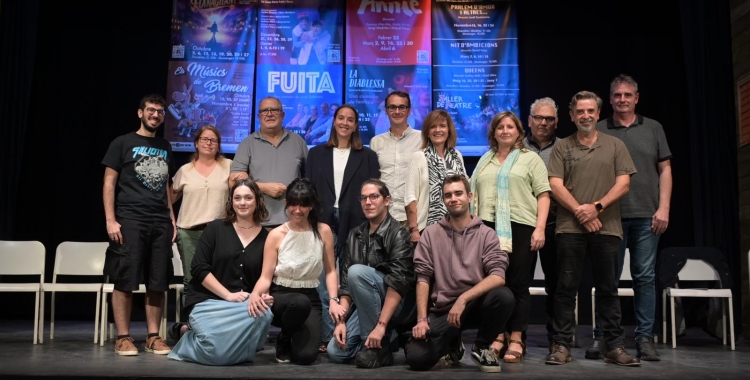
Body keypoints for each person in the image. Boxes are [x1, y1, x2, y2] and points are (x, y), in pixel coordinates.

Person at [545, 91, 640, 367]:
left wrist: (595, 208)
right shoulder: (562, 146)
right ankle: (562, 345)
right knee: (565, 288)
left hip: (607, 227)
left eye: (590, 111)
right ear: (572, 116)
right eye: (579, 112)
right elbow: (555, 185)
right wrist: (581, 212)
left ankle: (614, 346)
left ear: (598, 114)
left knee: (609, 289)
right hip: (569, 228)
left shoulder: (615, 145)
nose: (585, 115)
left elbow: (624, 184)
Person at [591, 74, 672, 361]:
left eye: (627, 95)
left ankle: (644, 338)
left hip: (647, 216)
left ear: (636, 98)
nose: (622, 99)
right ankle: (603, 336)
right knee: (606, 279)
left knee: (644, 278)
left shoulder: (653, 128)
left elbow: (665, 170)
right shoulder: (599, 129)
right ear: (610, 99)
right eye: (617, 95)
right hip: (609, 217)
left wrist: (663, 208)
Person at [406, 174, 514, 373]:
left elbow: (498, 276)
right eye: (448, 195)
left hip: (474, 305)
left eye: (458, 193)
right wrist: (422, 320)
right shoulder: (430, 233)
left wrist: (463, 299)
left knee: (503, 296)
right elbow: (423, 277)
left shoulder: (486, 234)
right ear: (444, 200)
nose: (453, 198)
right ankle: (452, 343)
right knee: (416, 358)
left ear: (470, 196)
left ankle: (481, 347)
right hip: (443, 310)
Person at [470, 111, 551, 363]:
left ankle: (516, 337)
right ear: (493, 132)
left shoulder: (531, 159)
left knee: (517, 284)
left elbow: (544, 195)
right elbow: (473, 194)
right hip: (487, 230)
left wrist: (540, 228)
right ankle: (497, 336)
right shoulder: (485, 160)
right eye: (500, 127)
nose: (505, 131)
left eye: (510, 127)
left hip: (521, 227)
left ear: (518, 131)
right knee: (494, 284)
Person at [167, 179, 274, 365]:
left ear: (257, 200)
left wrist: (264, 296)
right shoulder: (216, 228)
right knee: (218, 353)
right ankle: (185, 335)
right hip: (207, 300)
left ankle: (233, 347)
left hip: (241, 307)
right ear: (231, 201)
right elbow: (199, 268)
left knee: (264, 312)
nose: (242, 202)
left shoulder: (267, 237)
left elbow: (265, 276)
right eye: (237, 197)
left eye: (248, 197)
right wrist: (228, 295)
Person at [101, 94, 175, 356]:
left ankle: (153, 337)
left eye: (160, 112)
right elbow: (109, 183)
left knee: (158, 281)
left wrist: (172, 219)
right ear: (140, 113)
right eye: (151, 110)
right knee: (125, 279)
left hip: (159, 222)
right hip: (130, 220)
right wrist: (111, 220)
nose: (156, 115)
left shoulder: (165, 146)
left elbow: (166, 186)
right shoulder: (122, 143)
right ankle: (123, 337)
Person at [306, 104, 380, 352]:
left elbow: (374, 191)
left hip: (356, 223)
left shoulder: (367, 156)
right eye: (341, 118)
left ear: (356, 125)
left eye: (350, 119)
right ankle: (329, 336)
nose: (345, 123)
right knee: (322, 279)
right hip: (323, 222)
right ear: (334, 121)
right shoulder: (316, 153)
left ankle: (352, 332)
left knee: (351, 279)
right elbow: (309, 190)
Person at [248, 178, 345, 365]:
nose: (297, 210)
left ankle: (291, 334)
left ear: (311, 206)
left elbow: (331, 270)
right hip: (281, 296)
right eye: (293, 204)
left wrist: (334, 300)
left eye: (303, 205)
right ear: (286, 204)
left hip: (310, 295)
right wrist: (255, 294)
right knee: (299, 303)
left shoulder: (323, 231)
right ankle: (284, 336)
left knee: (306, 357)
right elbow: (266, 276)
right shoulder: (276, 234)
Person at [327, 179, 416, 367]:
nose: (368, 202)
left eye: (374, 196)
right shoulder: (355, 234)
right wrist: (341, 322)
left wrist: (381, 325)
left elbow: (399, 284)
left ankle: (377, 348)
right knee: (336, 352)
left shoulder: (399, 233)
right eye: (364, 198)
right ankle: (383, 339)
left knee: (357, 272)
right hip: (366, 303)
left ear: (386, 200)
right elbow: (346, 283)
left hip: (396, 303)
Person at [170, 125, 232, 311]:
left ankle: (216, 325)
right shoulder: (185, 170)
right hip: (189, 232)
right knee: (192, 279)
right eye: (204, 139)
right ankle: (192, 326)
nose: (209, 143)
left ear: (219, 145)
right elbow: (169, 199)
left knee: (219, 280)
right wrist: (171, 222)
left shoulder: (229, 166)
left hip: (219, 233)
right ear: (196, 143)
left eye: (213, 140)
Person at [230, 97, 308, 229]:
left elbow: (308, 180)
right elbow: (233, 183)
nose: (270, 114)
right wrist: (264, 187)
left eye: (275, 110)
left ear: (282, 115)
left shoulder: (298, 142)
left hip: (294, 221)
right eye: (265, 111)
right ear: (259, 116)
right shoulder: (247, 144)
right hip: (258, 223)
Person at [522, 97, 561, 353]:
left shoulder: (565, 148)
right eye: (539, 117)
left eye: (549, 119)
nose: (543, 123)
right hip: (523, 224)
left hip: (556, 225)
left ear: (556, 122)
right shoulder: (515, 148)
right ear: (529, 120)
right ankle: (517, 336)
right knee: (518, 283)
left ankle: (557, 339)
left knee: (557, 285)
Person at [404, 110, 468, 243]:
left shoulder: (457, 156)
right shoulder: (418, 157)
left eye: (442, 126)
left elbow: (466, 189)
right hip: (427, 230)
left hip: (459, 228)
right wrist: (413, 229)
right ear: (427, 132)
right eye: (433, 126)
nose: (438, 130)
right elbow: (410, 197)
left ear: (449, 130)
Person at [370, 90, 422, 228]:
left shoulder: (422, 139)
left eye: (402, 107)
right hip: (383, 217)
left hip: (414, 218)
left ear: (409, 110)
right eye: (392, 107)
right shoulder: (376, 142)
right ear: (386, 111)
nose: (397, 111)